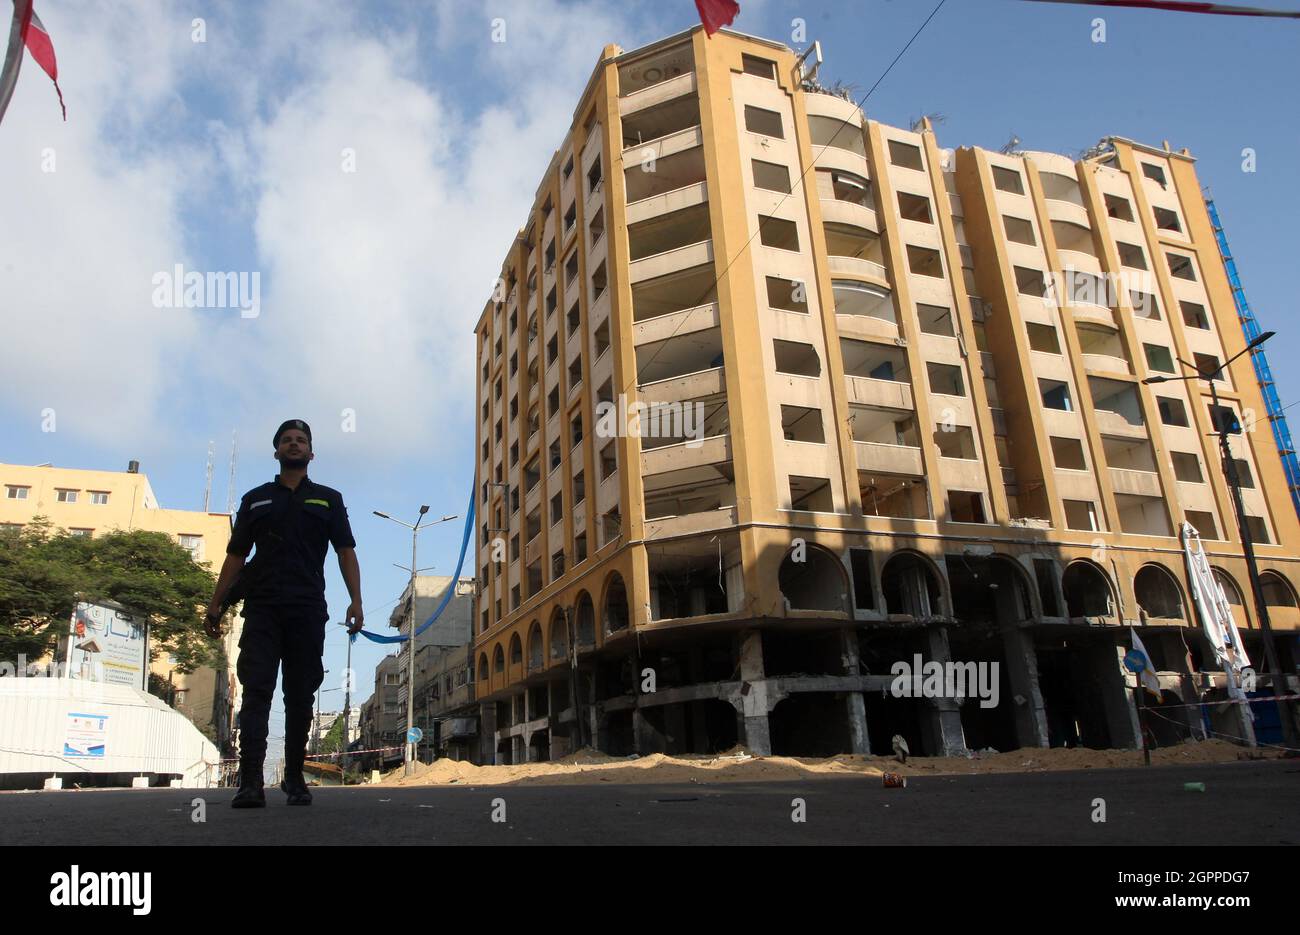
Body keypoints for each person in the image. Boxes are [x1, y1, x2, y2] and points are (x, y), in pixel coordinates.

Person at [205, 419, 363, 808]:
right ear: (276, 452)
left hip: (307, 608)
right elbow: (236, 556)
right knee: (256, 691)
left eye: (301, 441)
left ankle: (294, 779)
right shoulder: (255, 499)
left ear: (311, 453)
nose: (294, 445)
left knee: (300, 694)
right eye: (287, 441)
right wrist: (215, 602)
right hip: (262, 608)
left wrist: (356, 600)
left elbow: (345, 551)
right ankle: (251, 783)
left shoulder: (328, 499)